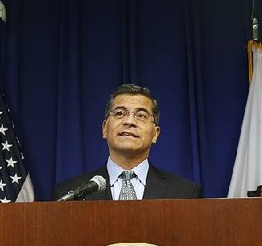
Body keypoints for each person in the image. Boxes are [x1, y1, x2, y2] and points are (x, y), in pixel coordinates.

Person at [53, 84, 202, 200]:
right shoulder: (70, 194)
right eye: (119, 113)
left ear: (155, 134)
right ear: (105, 128)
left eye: (141, 115)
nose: (129, 121)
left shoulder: (185, 193)